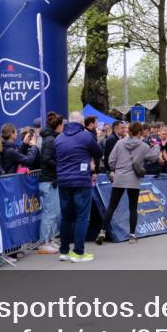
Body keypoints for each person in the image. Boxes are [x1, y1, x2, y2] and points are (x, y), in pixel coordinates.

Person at [54, 111, 102, 263]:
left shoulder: (59, 138)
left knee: (66, 217)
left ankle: (64, 251)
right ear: (81, 123)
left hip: (63, 181)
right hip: (81, 180)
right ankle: (78, 252)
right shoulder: (85, 136)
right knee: (82, 217)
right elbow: (99, 152)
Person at [99, 121, 156, 244]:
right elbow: (154, 157)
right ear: (140, 132)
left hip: (119, 177)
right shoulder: (144, 146)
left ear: (129, 131)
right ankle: (132, 235)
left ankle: (102, 231)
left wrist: (116, 169)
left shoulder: (119, 143)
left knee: (112, 206)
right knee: (133, 208)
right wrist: (156, 147)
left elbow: (111, 160)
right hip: (133, 179)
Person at [36, 114, 62, 255]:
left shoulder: (50, 139)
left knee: (53, 212)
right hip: (48, 180)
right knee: (50, 213)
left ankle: (49, 239)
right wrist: (60, 165)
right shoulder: (50, 140)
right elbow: (47, 159)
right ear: (58, 126)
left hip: (50, 180)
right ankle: (44, 242)